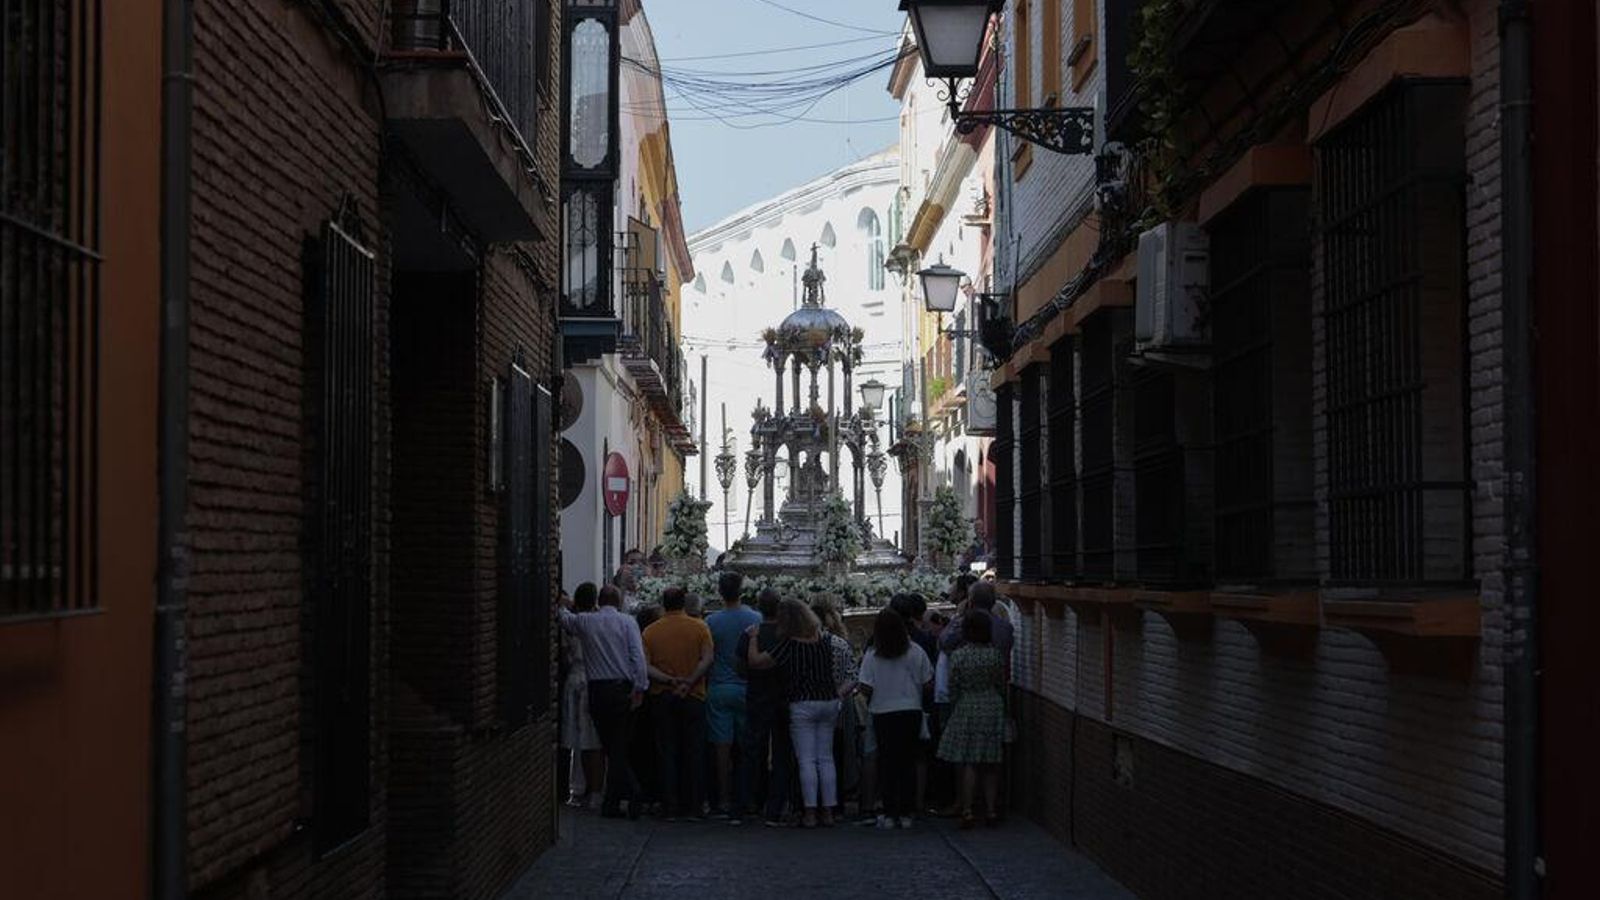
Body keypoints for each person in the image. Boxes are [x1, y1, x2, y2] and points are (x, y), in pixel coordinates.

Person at [745, 600, 840, 828]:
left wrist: (753, 638)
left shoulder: (790, 644)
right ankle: (827, 811)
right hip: (828, 700)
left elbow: (756, 662)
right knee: (825, 758)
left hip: (803, 703)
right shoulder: (825, 640)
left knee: (806, 759)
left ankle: (809, 812)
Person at [559, 584, 648, 819]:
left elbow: (564, 619)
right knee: (616, 746)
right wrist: (640, 687)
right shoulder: (628, 622)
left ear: (600, 600)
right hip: (622, 689)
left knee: (610, 745)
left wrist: (563, 603)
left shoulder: (587, 622)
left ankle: (616, 800)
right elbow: (637, 657)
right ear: (618, 602)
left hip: (598, 691)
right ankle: (629, 793)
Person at [641, 586, 714, 821]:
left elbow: (646, 665)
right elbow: (707, 659)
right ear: (684, 604)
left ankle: (669, 805)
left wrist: (669, 680)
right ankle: (693, 805)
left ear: (664, 604)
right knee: (694, 751)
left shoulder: (651, 631)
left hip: (663, 695)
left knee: (666, 750)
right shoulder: (700, 627)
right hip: (693, 696)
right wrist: (690, 681)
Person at [858, 608, 933, 830]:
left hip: (882, 712)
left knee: (887, 763)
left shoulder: (873, 655)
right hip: (910, 710)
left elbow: (865, 686)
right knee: (908, 762)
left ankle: (890, 812)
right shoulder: (916, 651)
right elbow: (928, 682)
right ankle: (908, 811)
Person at [937, 611, 1007, 828]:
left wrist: (958, 703)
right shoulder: (995, 655)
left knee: (969, 761)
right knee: (990, 762)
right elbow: (1000, 683)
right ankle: (991, 810)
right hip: (992, 705)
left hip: (967, 706)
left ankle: (967, 810)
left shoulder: (959, 656)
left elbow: (953, 686)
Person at [705, 571, 761, 822]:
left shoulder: (712, 621)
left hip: (719, 687)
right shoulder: (755, 618)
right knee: (747, 747)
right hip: (747, 688)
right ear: (742, 591)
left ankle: (724, 798)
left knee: (722, 747)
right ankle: (748, 798)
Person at [737, 589, 792, 827]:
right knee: (781, 753)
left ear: (758, 607)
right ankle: (776, 807)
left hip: (757, 696)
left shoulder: (752, 634)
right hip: (782, 697)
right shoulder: (787, 636)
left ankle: (748, 803)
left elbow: (740, 666)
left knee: (752, 752)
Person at [560, 584, 605, 809]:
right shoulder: (598, 622)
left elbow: (562, 614)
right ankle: (592, 789)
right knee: (591, 740)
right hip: (591, 680)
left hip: (576, 680)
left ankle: (580, 787)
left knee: (581, 741)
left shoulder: (576, 622)